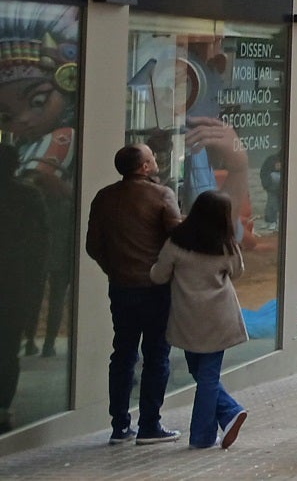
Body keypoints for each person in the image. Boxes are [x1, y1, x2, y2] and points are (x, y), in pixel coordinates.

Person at [86, 143, 182, 444]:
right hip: (155, 289)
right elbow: (177, 237)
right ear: (144, 167)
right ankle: (150, 425)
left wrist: (114, 269)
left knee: (123, 354)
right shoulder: (161, 195)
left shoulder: (104, 197)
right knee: (157, 356)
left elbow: (93, 246)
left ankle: (119, 425)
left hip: (121, 288)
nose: (156, 161)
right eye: (152, 158)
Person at [149, 191, 248, 449]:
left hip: (188, 318)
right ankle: (222, 418)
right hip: (220, 318)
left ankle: (215, 425)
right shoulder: (226, 246)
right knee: (207, 375)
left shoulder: (177, 242)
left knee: (201, 371)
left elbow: (159, 275)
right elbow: (237, 272)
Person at [0, 143, 49, 433]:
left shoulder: (28, 197)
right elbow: (39, 244)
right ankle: (3, 405)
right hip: (14, 286)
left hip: (14, 283)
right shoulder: (28, 197)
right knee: (7, 348)